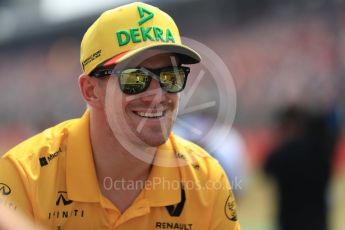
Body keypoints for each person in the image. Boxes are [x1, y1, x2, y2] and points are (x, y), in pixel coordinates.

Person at [0, 2, 240, 229]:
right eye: (136, 79)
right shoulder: (23, 175)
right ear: (90, 91)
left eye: (171, 76)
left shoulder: (206, 179)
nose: (158, 94)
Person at [264, 105, 339, 230]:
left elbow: (268, 168)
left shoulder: (285, 153)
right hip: (318, 223)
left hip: (290, 222)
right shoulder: (321, 152)